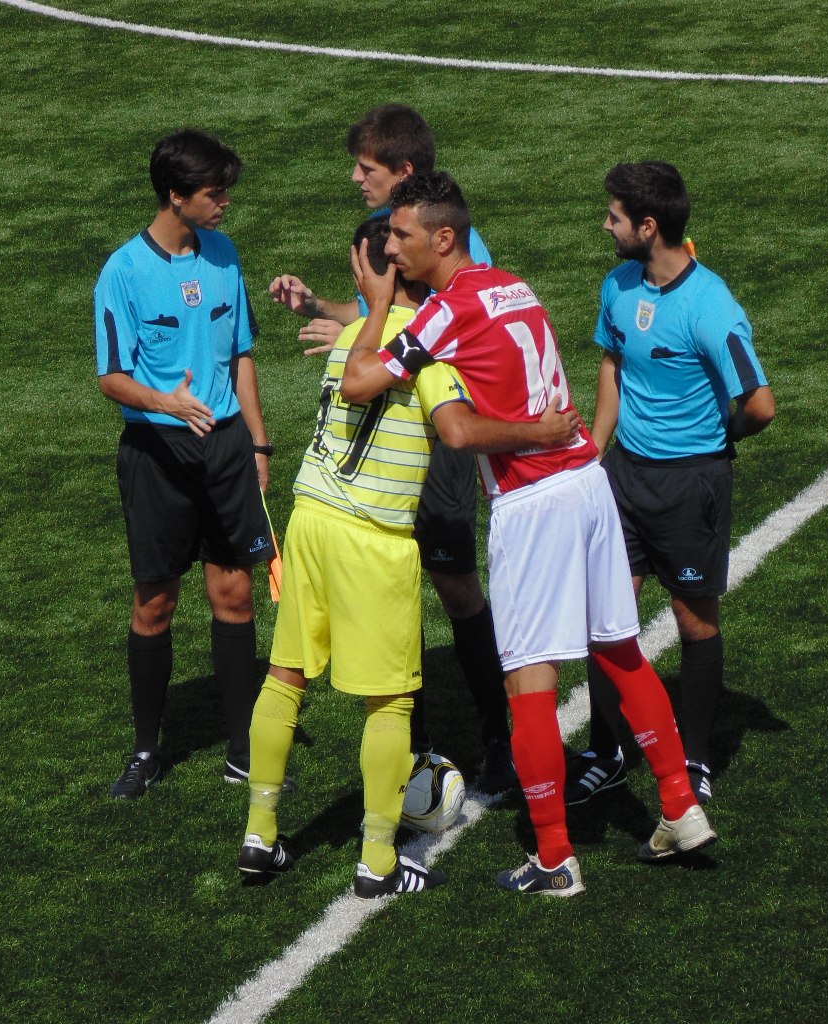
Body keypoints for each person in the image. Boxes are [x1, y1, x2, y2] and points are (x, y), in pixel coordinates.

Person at [342, 172, 717, 897]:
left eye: (401, 235)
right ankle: (678, 805)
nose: (389, 248)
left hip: (533, 500)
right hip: (587, 485)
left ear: (442, 238)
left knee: (528, 682)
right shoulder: (512, 285)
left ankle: (553, 858)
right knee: (619, 649)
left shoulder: (446, 311)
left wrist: (378, 305)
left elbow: (360, 382)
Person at [239, 216, 579, 898]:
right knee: (391, 701)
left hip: (310, 517)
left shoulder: (350, 344)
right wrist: (539, 431)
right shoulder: (429, 353)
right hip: (376, 537)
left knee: (284, 675)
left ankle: (259, 834)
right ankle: (377, 860)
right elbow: (457, 431)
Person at [269, 104, 515, 792]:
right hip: (384, 439)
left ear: (404, 171)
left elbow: (441, 329)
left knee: (454, 587)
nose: (356, 178)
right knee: (395, 591)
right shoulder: (393, 234)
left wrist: (370, 342)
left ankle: (498, 742)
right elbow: (391, 313)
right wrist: (324, 310)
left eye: (366, 168)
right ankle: (414, 750)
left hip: (435, 436)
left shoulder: (444, 242)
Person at [565, 161, 775, 807]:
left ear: (648, 226)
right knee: (607, 617)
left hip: (690, 484)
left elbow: (760, 404)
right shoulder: (618, 284)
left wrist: (719, 437)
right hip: (624, 477)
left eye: (614, 217)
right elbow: (612, 364)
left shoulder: (710, 306)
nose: (605, 225)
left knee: (693, 620)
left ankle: (696, 758)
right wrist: (594, 454)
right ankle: (607, 751)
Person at [95, 128, 275, 799]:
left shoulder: (224, 254)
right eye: (214, 193)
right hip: (158, 454)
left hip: (225, 448)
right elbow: (111, 377)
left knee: (234, 593)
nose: (224, 203)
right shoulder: (122, 272)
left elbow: (241, 355)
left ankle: (242, 749)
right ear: (176, 196)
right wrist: (164, 401)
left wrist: (257, 444)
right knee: (155, 602)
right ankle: (146, 750)